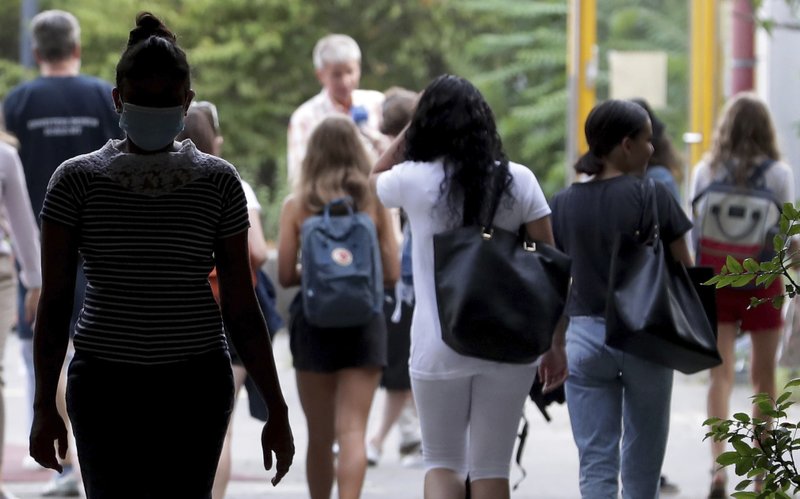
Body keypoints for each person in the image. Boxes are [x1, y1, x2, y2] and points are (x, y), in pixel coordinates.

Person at [28, 12, 294, 498]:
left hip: (115, 379)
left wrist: (46, 402)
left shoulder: (77, 180)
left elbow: (56, 302)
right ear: (119, 101)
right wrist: (43, 404)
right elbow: (239, 305)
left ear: (186, 102)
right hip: (185, 380)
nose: (154, 108)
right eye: (145, 100)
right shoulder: (217, 181)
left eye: (162, 100)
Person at [372, 74, 566, 499]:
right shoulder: (520, 180)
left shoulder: (414, 180)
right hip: (510, 342)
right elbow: (550, 264)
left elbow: (374, 175)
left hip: (436, 343)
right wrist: (555, 343)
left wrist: (414, 124)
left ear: (427, 126)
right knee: (491, 467)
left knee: (442, 463)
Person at [2, 10, 123, 494]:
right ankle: (96, 455)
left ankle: (68, 457)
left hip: (40, 251)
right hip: (100, 248)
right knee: (101, 352)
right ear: (77, 48)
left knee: (47, 353)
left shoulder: (18, 102)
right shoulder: (101, 97)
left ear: (36, 53)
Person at [550, 99, 694, 499]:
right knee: (642, 467)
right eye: (648, 140)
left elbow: (557, 282)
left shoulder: (562, 204)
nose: (652, 149)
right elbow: (685, 267)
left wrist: (555, 344)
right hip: (645, 337)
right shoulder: (654, 196)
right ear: (626, 144)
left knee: (596, 463)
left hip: (584, 338)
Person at [277, 115, 399, 499]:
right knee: (353, 432)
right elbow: (393, 272)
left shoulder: (296, 205)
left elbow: (283, 275)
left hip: (313, 325)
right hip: (364, 323)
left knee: (319, 435)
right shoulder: (374, 199)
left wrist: (318, 274)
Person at [692, 93, 795, 498]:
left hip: (717, 278)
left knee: (718, 374)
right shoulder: (779, 173)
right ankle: (761, 473)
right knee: (763, 376)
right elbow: (786, 232)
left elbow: (693, 225)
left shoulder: (706, 169)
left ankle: (718, 468)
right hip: (762, 281)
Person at [175, 101, 275, 499]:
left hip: (182, 312)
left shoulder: (162, 181)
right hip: (227, 315)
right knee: (222, 426)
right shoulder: (232, 182)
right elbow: (261, 253)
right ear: (212, 139)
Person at [366, 86, 423, 467]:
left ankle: (378, 441)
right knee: (407, 371)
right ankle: (405, 437)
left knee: (402, 371)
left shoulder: (407, 176)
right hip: (417, 285)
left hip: (409, 286)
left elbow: (375, 177)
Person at [631, 97, 683, 496]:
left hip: (603, 306)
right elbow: (681, 248)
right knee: (647, 411)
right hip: (652, 303)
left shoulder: (590, 186)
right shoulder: (663, 182)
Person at [287, 33, 389, 186]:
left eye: (350, 71)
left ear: (359, 68)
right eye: (336, 74)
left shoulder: (378, 103)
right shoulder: (305, 118)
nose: (345, 81)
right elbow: (299, 177)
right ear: (320, 75)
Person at [0, 129, 41, 499]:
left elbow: (23, 223)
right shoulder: (4, 155)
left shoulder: (5, 156)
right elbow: (24, 225)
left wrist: (35, 279)